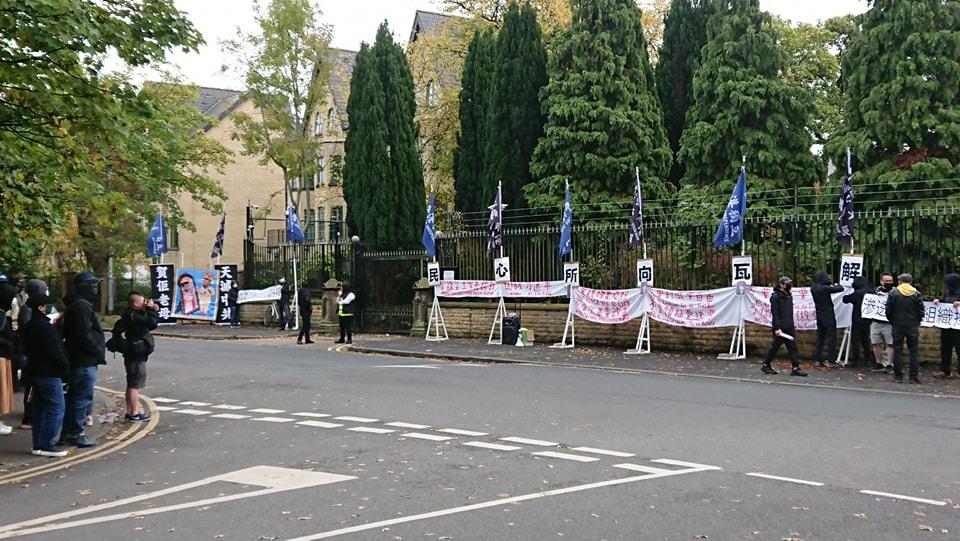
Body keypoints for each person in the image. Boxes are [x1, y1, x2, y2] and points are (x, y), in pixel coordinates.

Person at [20, 293, 70, 457]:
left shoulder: (29, 325)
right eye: (49, 305)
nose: (53, 308)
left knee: (41, 408)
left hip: (34, 372)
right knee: (56, 408)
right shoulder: (45, 327)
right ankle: (48, 443)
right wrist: (65, 367)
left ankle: (39, 444)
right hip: (49, 373)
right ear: (41, 308)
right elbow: (55, 352)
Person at [60, 272, 104, 448]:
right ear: (85, 287)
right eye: (93, 285)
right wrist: (97, 350)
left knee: (75, 397)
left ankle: (69, 432)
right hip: (83, 360)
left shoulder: (78, 304)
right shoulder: (81, 306)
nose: (96, 288)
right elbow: (82, 334)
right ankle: (75, 433)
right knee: (81, 398)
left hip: (81, 359)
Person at [115, 292, 159, 421]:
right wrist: (151, 310)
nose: (145, 302)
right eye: (143, 301)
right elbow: (152, 323)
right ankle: (134, 412)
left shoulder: (132, 314)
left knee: (132, 384)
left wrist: (152, 309)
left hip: (133, 353)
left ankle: (130, 411)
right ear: (135, 303)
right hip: (135, 354)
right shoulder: (133, 315)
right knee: (135, 384)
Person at [761, 276, 807, 377]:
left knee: (793, 347)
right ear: (781, 284)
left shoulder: (789, 296)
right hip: (780, 327)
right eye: (786, 283)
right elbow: (775, 313)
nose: (788, 285)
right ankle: (766, 364)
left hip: (789, 326)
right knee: (775, 347)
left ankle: (796, 367)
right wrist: (777, 327)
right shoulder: (775, 297)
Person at [885, 273, 925, 384]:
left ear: (900, 281)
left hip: (897, 325)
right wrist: (917, 322)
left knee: (897, 350)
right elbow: (921, 311)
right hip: (912, 325)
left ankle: (898, 376)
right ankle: (913, 377)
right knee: (914, 351)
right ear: (911, 282)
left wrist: (892, 321)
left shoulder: (893, 293)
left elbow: (888, 310)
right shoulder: (916, 293)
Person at [811, 271, 844, 369]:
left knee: (820, 338)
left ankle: (817, 359)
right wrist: (838, 284)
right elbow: (840, 288)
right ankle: (831, 360)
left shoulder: (814, 288)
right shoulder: (824, 288)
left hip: (819, 314)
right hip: (828, 314)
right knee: (831, 338)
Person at [842, 275, 875, 369]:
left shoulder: (857, 293)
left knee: (855, 340)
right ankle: (867, 359)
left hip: (857, 319)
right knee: (866, 340)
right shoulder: (871, 292)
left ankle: (856, 360)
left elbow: (845, 299)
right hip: (868, 319)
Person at [933, 273, 960, 379]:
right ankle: (944, 370)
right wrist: (938, 301)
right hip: (946, 326)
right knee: (945, 349)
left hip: (958, 328)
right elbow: (944, 302)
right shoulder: (947, 293)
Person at [870, 273, 896, 374]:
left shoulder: (895, 292)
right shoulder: (875, 291)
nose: (888, 283)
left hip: (889, 322)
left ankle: (889, 364)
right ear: (881, 281)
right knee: (876, 343)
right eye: (886, 281)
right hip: (876, 321)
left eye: (890, 281)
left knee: (890, 343)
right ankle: (878, 363)